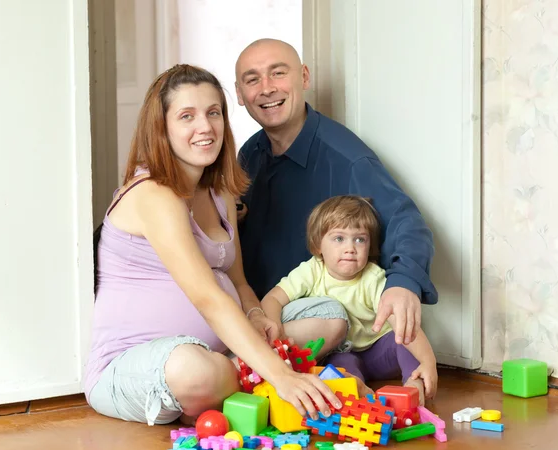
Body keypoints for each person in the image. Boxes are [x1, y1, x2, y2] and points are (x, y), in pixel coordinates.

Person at [84, 64, 342, 427]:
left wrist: (255, 315)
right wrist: (281, 375)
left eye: (213, 113)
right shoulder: (153, 193)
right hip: (136, 365)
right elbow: (207, 297)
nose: (205, 127)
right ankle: (254, 374)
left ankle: (240, 373)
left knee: (330, 316)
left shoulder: (219, 190)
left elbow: (237, 282)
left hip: (222, 347)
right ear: (162, 128)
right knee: (193, 369)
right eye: (187, 116)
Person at [234, 39, 438, 347]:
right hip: (258, 310)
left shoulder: (347, 159)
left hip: (322, 322)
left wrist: (403, 282)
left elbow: (405, 220)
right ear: (239, 94)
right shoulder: (249, 154)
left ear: (304, 77)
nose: (266, 88)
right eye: (253, 79)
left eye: (278, 73)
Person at [261, 196, 438, 404]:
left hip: (377, 351)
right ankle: (358, 389)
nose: (350, 248)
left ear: (370, 245)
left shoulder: (372, 278)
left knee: (402, 341)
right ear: (318, 245)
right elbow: (272, 299)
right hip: (342, 353)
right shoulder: (312, 270)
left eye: (360, 239)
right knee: (338, 367)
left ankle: (414, 386)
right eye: (339, 239)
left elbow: (402, 322)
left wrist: (428, 361)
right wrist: (276, 334)